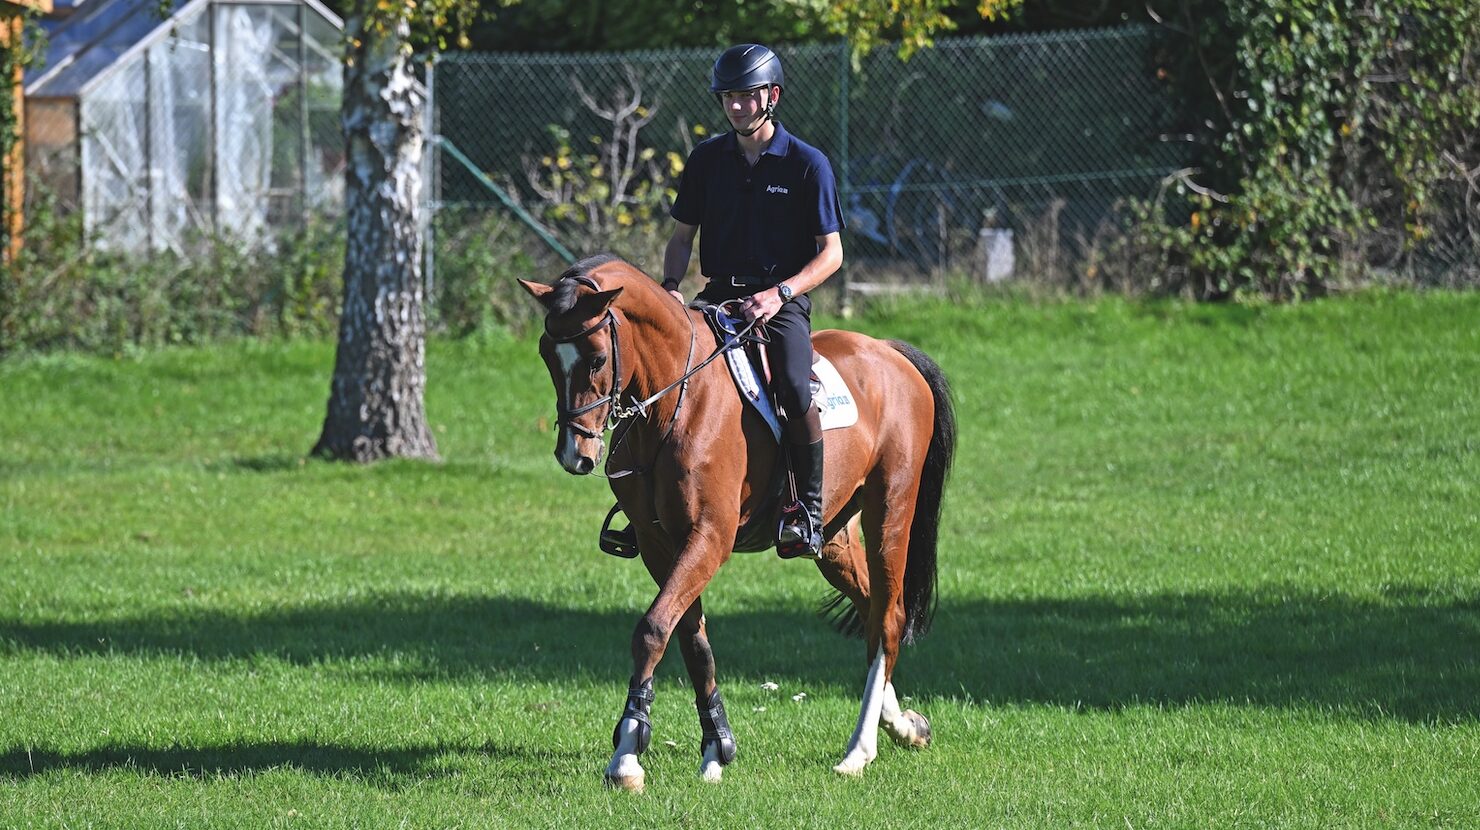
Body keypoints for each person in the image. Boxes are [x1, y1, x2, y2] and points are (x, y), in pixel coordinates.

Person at [660, 43, 846, 559]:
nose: (737, 107)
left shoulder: (809, 165)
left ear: (773, 96)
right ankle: (648, 506)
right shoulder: (705, 161)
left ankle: (806, 511)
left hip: (781, 300)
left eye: (747, 96)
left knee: (790, 383)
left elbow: (831, 254)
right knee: (661, 371)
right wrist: (673, 287)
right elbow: (681, 239)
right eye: (728, 98)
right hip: (716, 295)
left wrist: (781, 293)